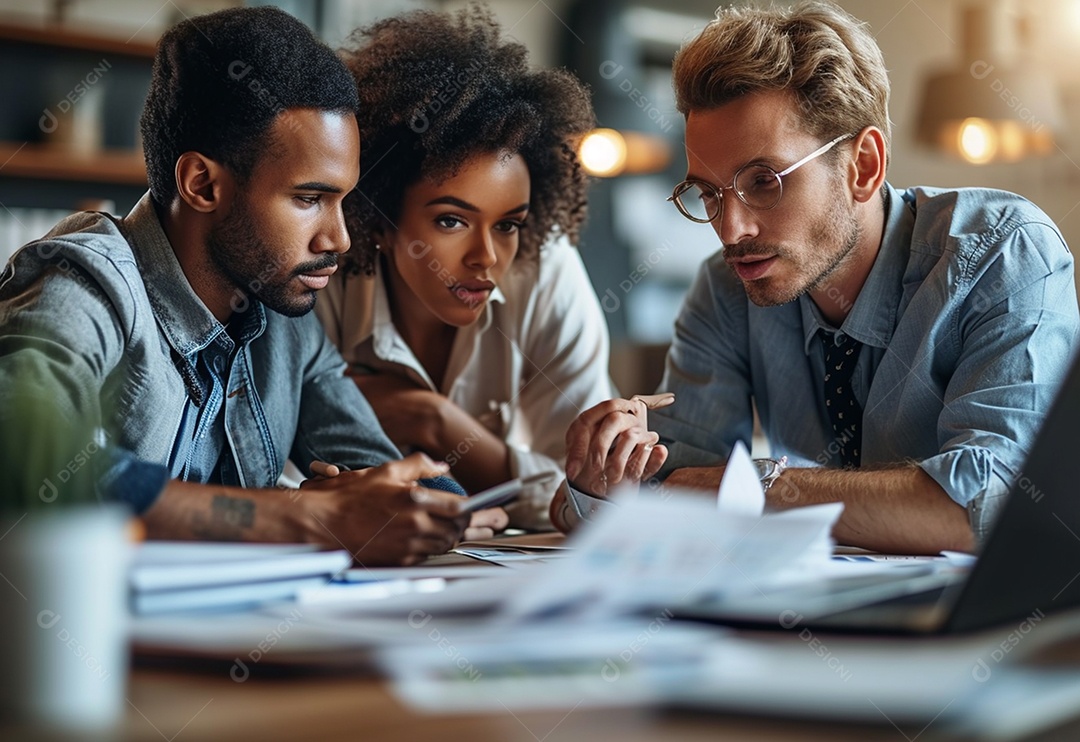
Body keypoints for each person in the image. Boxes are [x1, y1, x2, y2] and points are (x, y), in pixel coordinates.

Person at [556, 0, 1079, 554]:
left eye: (762, 181)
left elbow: (994, 508)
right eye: (708, 194)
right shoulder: (726, 288)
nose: (730, 230)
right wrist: (603, 485)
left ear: (863, 167)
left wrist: (754, 489)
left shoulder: (1003, 250)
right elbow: (671, 482)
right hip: (808, 620)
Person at [0, 6, 487, 566]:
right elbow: (24, 453)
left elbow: (415, 487)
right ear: (202, 184)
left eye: (343, 202)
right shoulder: (85, 284)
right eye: (309, 199)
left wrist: (392, 505)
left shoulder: (284, 320)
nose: (340, 238)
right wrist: (300, 516)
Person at [316, 6, 614, 530]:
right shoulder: (322, 275)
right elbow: (284, 475)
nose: (487, 257)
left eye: (508, 224)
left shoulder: (545, 272)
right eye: (452, 221)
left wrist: (429, 418)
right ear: (379, 217)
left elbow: (590, 494)